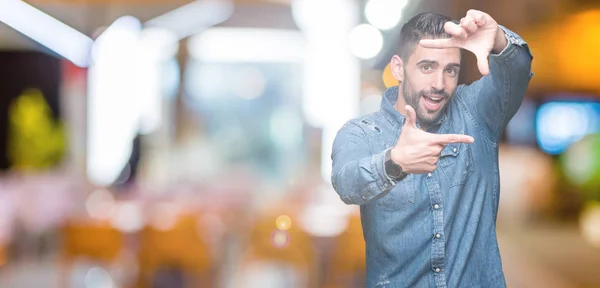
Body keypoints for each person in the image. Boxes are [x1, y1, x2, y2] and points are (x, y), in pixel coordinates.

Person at [331, 10, 533, 288]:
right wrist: (393, 163)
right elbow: (345, 182)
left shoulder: (477, 112)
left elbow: (517, 72)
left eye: (450, 70)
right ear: (399, 68)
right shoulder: (361, 133)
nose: (439, 84)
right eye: (427, 67)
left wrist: (499, 40)